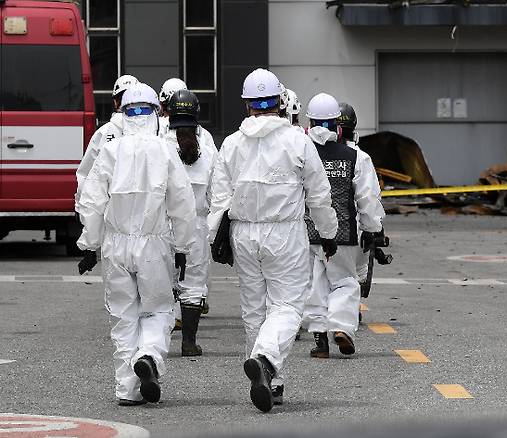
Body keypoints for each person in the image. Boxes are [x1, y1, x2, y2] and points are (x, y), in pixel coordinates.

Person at [208, 68, 337, 412]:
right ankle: (265, 361)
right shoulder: (298, 141)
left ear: (247, 105)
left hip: (244, 233)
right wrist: (328, 233)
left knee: (254, 309)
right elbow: (320, 195)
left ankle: (271, 381)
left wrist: (215, 239)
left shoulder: (232, 144)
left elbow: (219, 198)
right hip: (285, 233)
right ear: (280, 102)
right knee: (289, 305)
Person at [76, 83, 196, 406]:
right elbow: (183, 204)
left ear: (124, 114)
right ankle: (148, 356)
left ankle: (126, 389)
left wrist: (90, 243)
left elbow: (91, 200)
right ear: (155, 113)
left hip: (116, 246)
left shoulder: (111, 150)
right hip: (154, 245)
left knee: (123, 318)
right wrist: (183, 246)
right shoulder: (164, 151)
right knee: (158, 309)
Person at [302, 93, 384, 358]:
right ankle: (341, 328)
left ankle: (319, 341)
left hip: (306, 232)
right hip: (344, 232)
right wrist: (373, 229)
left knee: (314, 284)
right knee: (346, 282)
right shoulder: (355, 157)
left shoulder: (301, 151)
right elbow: (367, 198)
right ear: (338, 125)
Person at [164, 89, 217, 357]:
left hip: (162, 226)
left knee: (162, 282)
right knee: (193, 284)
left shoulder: (158, 146)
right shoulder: (206, 151)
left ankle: (156, 342)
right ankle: (189, 342)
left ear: (168, 113)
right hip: (197, 226)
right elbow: (217, 195)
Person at [337, 102, 383, 299]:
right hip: (350, 229)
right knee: (354, 276)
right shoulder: (360, 157)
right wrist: (372, 229)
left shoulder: (313, 153)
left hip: (314, 229)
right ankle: (348, 313)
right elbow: (368, 197)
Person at [76, 74, 139, 210]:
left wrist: (80, 205)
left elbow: (86, 173)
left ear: (116, 102)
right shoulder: (153, 133)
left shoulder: (103, 133)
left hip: (109, 212)